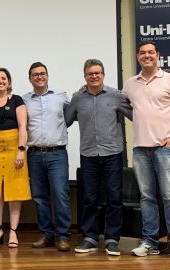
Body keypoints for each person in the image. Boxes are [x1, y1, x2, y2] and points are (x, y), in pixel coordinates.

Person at [66, 59, 132, 256]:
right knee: (89, 198)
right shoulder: (78, 97)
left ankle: (112, 239)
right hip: (88, 154)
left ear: (103, 74)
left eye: (97, 73)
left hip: (112, 153)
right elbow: (67, 120)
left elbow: (136, 115)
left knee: (114, 198)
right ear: (84, 76)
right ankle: (90, 238)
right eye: (90, 74)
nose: (94, 76)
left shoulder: (116, 95)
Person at [123, 41, 170, 257]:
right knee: (147, 198)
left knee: (169, 196)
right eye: (142, 53)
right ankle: (150, 243)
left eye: (151, 52)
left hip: (164, 149)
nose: (147, 55)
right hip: (140, 150)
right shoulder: (131, 83)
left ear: (157, 55)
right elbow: (114, 99)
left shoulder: (168, 79)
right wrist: (87, 88)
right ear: (137, 56)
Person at [22, 62, 71, 252]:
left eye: (42, 74)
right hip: (34, 154)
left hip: (57, 153)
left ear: (48, 76)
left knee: (60, 195)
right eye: (35, 75)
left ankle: (63, 237)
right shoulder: (24, 100)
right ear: (30, 78)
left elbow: (72, 116)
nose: (39, 77)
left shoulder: (61, 96)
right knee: (40, 197)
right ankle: (46, 234)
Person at [0, 68, 31, 248]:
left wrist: (21, 149)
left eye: (3, 78)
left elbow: (23, 125)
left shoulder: (17, 100)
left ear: (9, 81)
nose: (0, 81)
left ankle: (13, 232)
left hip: (15, 145)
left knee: (15, 190)